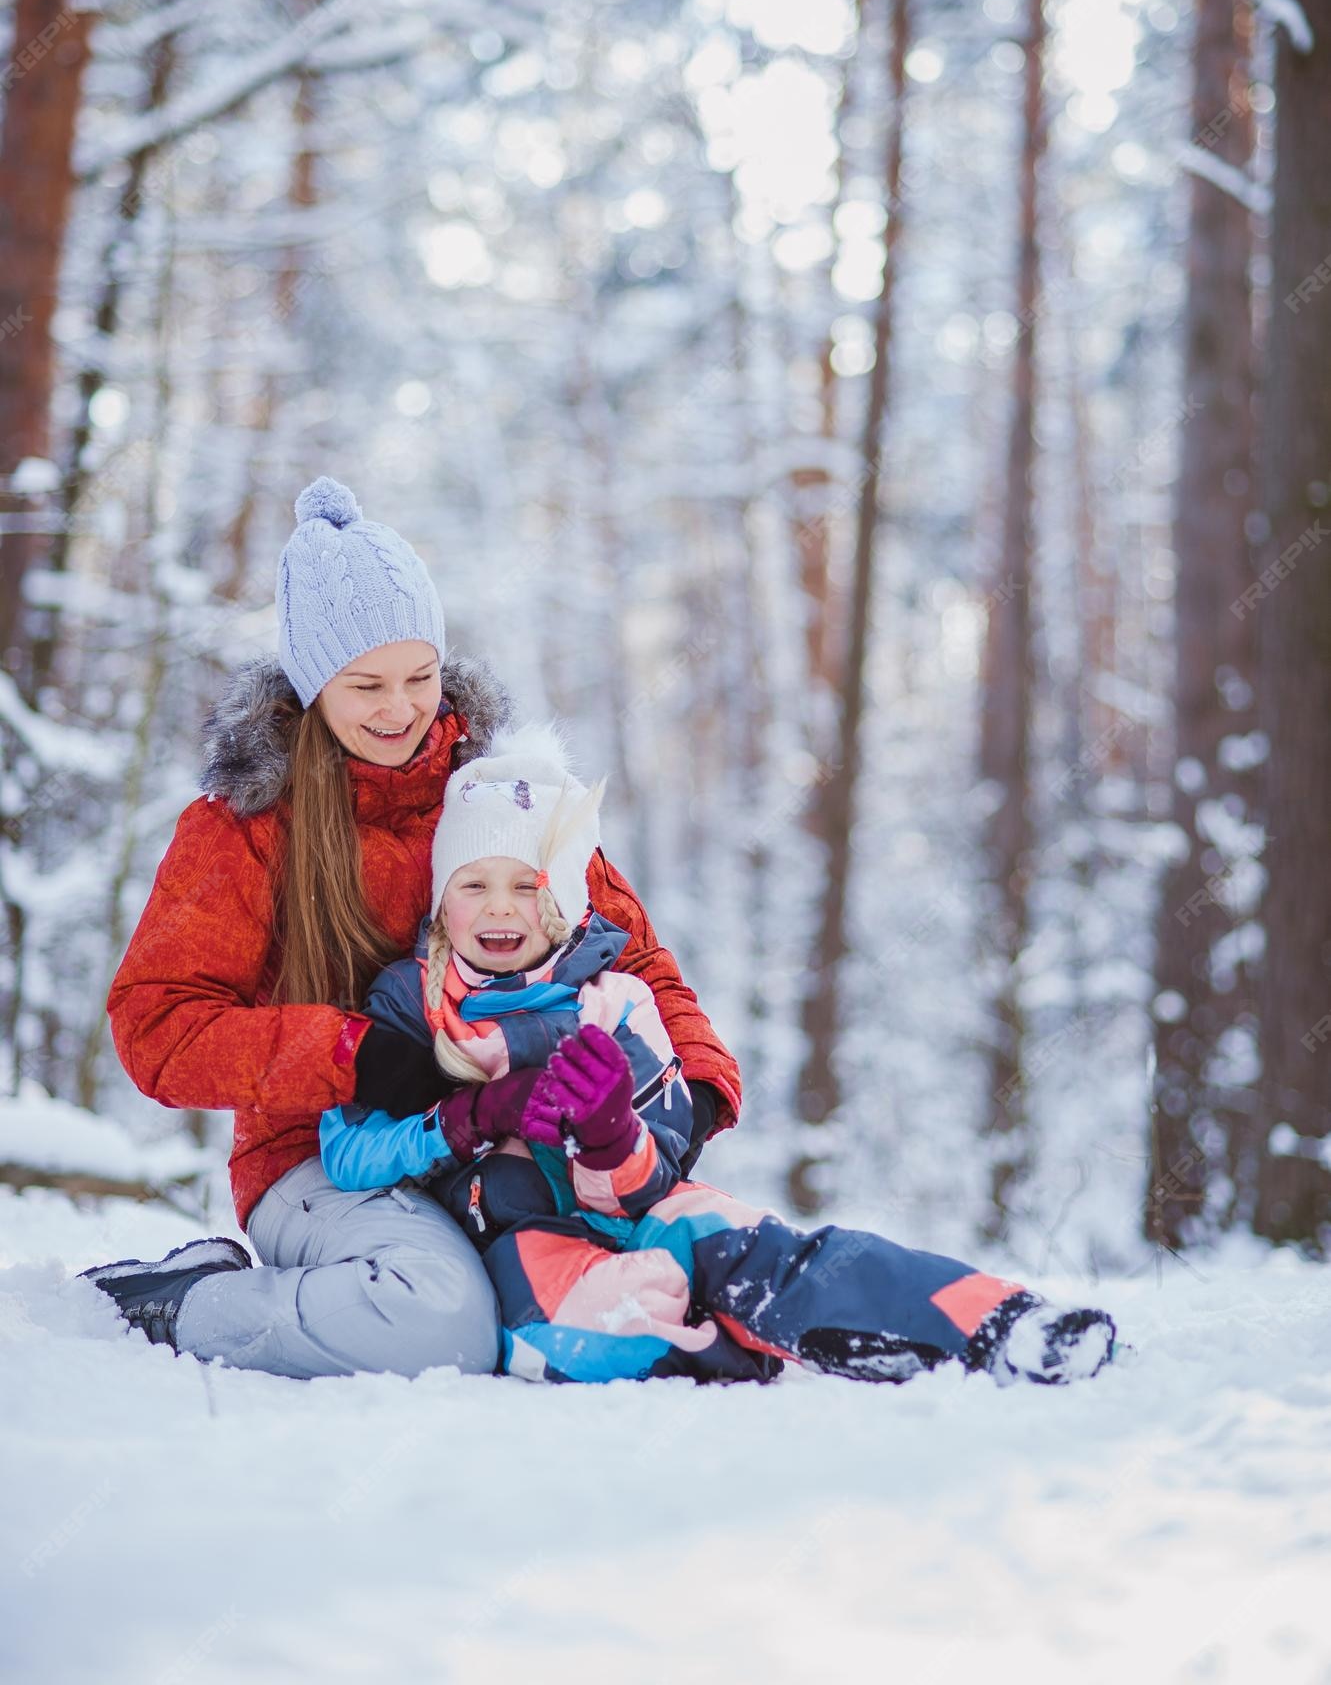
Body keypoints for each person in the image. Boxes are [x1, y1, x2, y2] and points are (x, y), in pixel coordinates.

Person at [79, 478, 741, 1379]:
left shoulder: (501, 799)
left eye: (421, 677)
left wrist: (693, 1088)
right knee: (440, 1323)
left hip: (513, 1138)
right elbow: (159, 1031)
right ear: (314, 684)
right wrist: (362, 1056)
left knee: (689, 1267)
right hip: (316, 1156)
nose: (400, 708)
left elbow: (633, 953)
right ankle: (186, 1303)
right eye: (367, 685)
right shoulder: (245, 828)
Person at [316, 726, 1118, 1388]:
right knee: (593, 1327)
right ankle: (726, 1342)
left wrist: (608, 1135)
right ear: (438, 903)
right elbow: (348, 1155)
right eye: (472, 884)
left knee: (758, 1247)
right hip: (520, 1236)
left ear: (560, 897)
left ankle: (1000, 1321)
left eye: (526, 886)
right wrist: (469, 1117)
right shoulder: (407, 1007)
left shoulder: (617, 1002)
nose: (498, 906)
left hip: (636, 1208)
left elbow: (659, 1166)